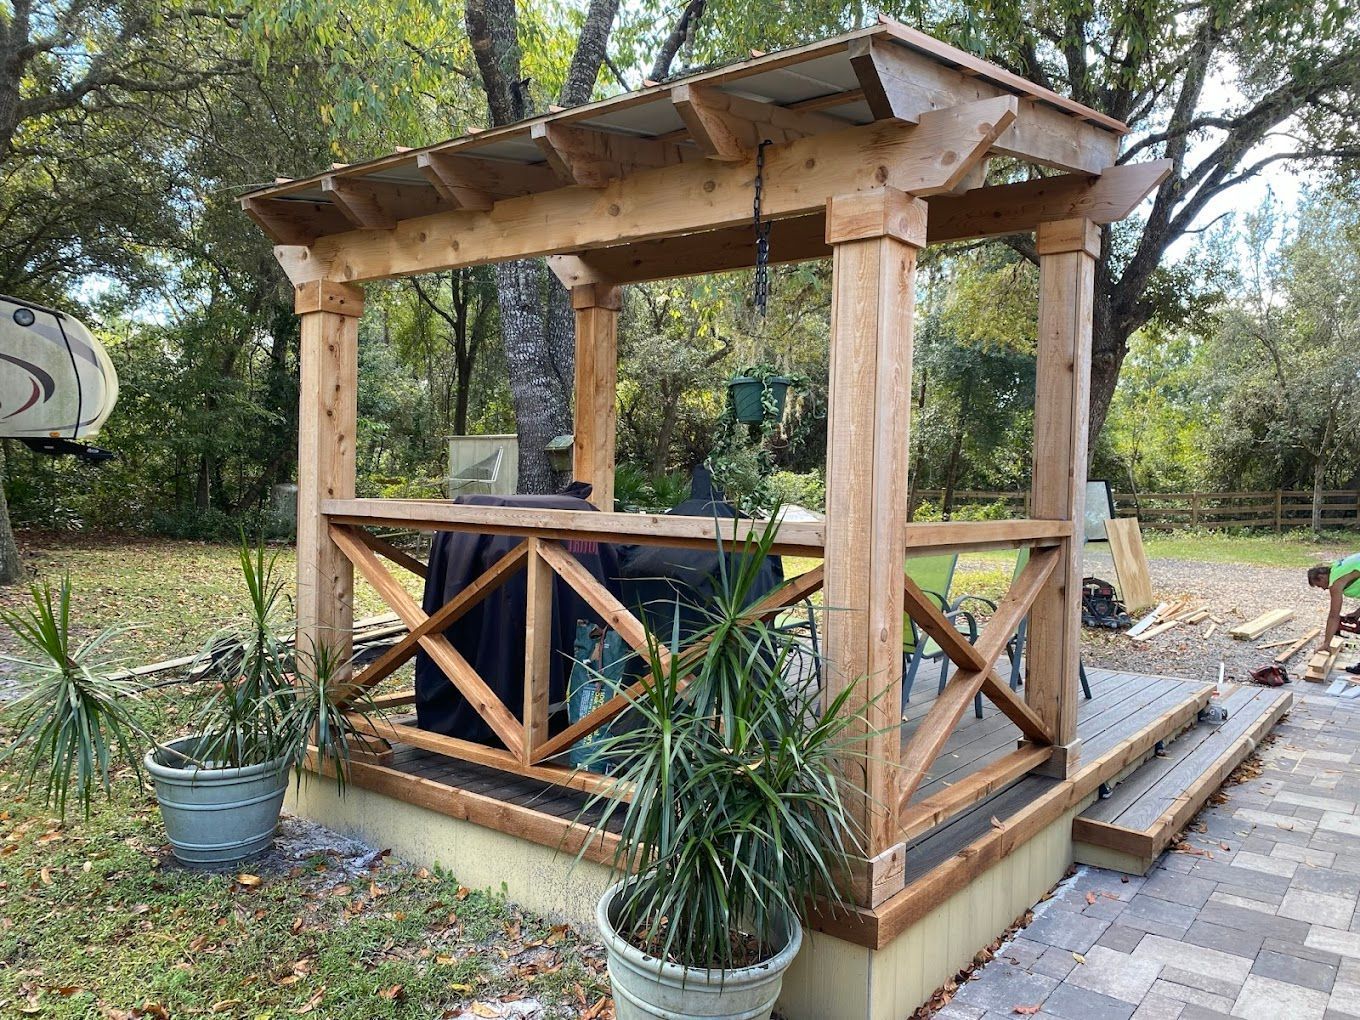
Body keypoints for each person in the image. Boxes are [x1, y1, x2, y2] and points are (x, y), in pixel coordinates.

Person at [1308, 553, 1360, 675]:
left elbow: (1333, 615)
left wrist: (1327, 643)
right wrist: (1358, 612)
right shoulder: (1338, 567)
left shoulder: (1336, 581)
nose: (1324, 589)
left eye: (1319, 585)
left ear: (1321, 577)